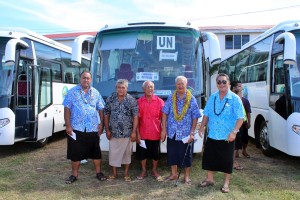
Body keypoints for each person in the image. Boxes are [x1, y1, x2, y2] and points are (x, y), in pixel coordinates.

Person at [198, 73, 244, 193]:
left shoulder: (235, 99)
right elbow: (206, 113)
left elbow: (241, 118)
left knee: (227, 160)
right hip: (212, 134)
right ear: (216, 84)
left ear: (229, 83)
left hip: (227, 136)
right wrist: (202, 126)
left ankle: (226, 183)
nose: (221, 84)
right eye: (219, 82)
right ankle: (210, 179)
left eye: (224, 81)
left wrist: (234, 132)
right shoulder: (212, 97)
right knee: (209, 158)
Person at [63, 70, 107, 184]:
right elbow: (67, 109)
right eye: (84, 78)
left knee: (96, 152)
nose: (86, 80)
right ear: (80, 79)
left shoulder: (96, 92)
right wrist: (68, 125)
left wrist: (101, 124)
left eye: (88, 78)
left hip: (92, 128)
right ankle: (74, 175)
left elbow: (101, 108)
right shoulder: (72, 92)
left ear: (91, 80)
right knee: (75, 153)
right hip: (76, 128)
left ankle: (98, 173)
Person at [161, 76, 201, 186]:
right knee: (172, 154)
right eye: (178, 83)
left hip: (186, 133)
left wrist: (192, 132)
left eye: (182, 83)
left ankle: (187, 177)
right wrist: (164, 129)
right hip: (172, 132)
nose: (180, 85)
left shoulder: (191, 98)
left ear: (186, 84)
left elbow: (195, 116)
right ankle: (174, 174)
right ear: (175, 85)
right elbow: (164, 112)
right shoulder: (171, 97)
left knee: (186, 155)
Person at [104, 79, 138, 182]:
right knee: (113, 153)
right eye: (119, 87)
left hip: (127, 133)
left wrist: (134, 132)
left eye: (123, 87)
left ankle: (126, 174)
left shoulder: (132, 100)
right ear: (116, 88)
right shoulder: (110, 99)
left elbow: (135, 117)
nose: (121, 89)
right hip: (113, 132)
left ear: (127, 88)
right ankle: (114, 173)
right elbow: (106, 114)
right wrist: (107, 130)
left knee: (127, 154)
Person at [136, 80, 165, 181]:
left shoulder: (160, 101)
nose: (150, 89)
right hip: (142, 133)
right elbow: (136, 120)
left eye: (152, 87)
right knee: (142, 154)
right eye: (148, 87)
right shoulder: (139, 102)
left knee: (155, 154)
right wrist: (137, 134)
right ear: (143, 89)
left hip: (155, 132)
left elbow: (163, 118)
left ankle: (154, 170)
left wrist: (163, 131)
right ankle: (143, 170)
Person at [230, 80, 252, 170]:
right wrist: (238, 92)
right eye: (239, 86)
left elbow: (247, 112)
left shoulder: (244, 99)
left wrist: (248, 121)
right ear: (233, 87)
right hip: (234, 124)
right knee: (234, 144)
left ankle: (233, 160)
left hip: (241, 123)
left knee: (238, 142)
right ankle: (232, 162)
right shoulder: (233, 97)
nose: (241, 88)